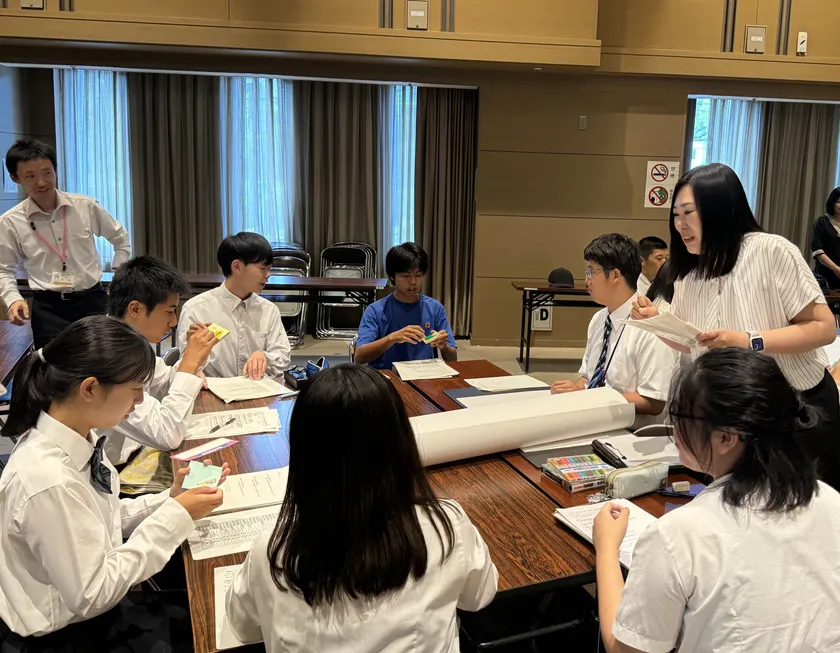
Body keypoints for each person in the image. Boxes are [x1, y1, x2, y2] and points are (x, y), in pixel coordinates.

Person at [225, 364, 497, 651]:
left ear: (303, 454)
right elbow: (479, 596)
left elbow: (243, 627)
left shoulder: (273, 553)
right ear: (401, 442)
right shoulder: (446, 528)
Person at [0, 316, 228, 649]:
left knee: (209, 606)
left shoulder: (78, 437)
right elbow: (93, 594)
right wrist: (176, 515)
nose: (140, 401)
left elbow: (103, 519)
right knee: (212, 624)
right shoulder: (48, 480)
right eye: (136, 389)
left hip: (90, 610)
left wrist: (169, 499)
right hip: (64, 635)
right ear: (90, 388)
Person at [592, 348, 840, 653]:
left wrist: (606, 547)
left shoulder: (678, 534)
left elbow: (626, 649)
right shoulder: (829, 499)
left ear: (726, 438)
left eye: (679, 417)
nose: (674, 429)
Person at [632, 163, 840, 488]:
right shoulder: (690, 273)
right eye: (676, 215)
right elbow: (694, 341)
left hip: (798, 408)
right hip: (733, 415)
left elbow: (823, 327)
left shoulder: (771, 250)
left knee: (798, 507)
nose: (680, 224)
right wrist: (656, 323)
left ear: (721, 209)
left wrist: (748, 340)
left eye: (689, 213)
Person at [0, 140, 131, 349]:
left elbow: (121, 239)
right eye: (30, 176)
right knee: (53, 365)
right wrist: (13, 299)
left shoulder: (85, 206)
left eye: (47, 172)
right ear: (15, 178)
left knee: (101, 361)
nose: (41, 182)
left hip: (93, 302)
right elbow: (3, 269)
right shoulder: (11, 222)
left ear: (55, 170)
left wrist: (118, 275)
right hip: (48, 309)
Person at [103, 255, 219, 466]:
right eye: (169, 311)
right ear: (135, 309)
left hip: (136, 453)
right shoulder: (109, 355)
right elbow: (167, 435)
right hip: (117, 468)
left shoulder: (131, 343)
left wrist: (195, 355)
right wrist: (190, 362)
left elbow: (165, 384)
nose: (174, 322)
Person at [550, 234, 678, 425]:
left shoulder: (650, 324)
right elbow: (588, 378)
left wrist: (590, 399)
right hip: (595, 419)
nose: (587, 280)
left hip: (632, 432)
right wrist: (573, 391)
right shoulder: (599, 319)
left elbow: (653, 402)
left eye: (592, 271)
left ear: (616, 275)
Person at [177, 232, 290, 379]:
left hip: (256, 388)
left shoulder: (269, 310)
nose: (268, 275)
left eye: (269, 269)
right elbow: (185, 364)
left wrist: (264, 357)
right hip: (212, 389)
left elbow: (283, 357)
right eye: (262, 269)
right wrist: (197, 371)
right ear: (236, 266)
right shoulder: (196, 309)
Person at [354, 243, 457, 369]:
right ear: (392, 277)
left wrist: (444, 346)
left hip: (424, 375)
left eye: (418, 275)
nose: (413, 282)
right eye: (405, 276)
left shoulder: (435, 308)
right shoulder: (376, 310)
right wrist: (392, 338)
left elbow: (453, 359)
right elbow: (359, 357)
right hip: (388, 375)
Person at [810, 186, 840, 289]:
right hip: (825, 277)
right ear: (832, 202)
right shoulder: (821, 222)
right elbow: (818, 251)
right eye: (838, 201)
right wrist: (836, 269)